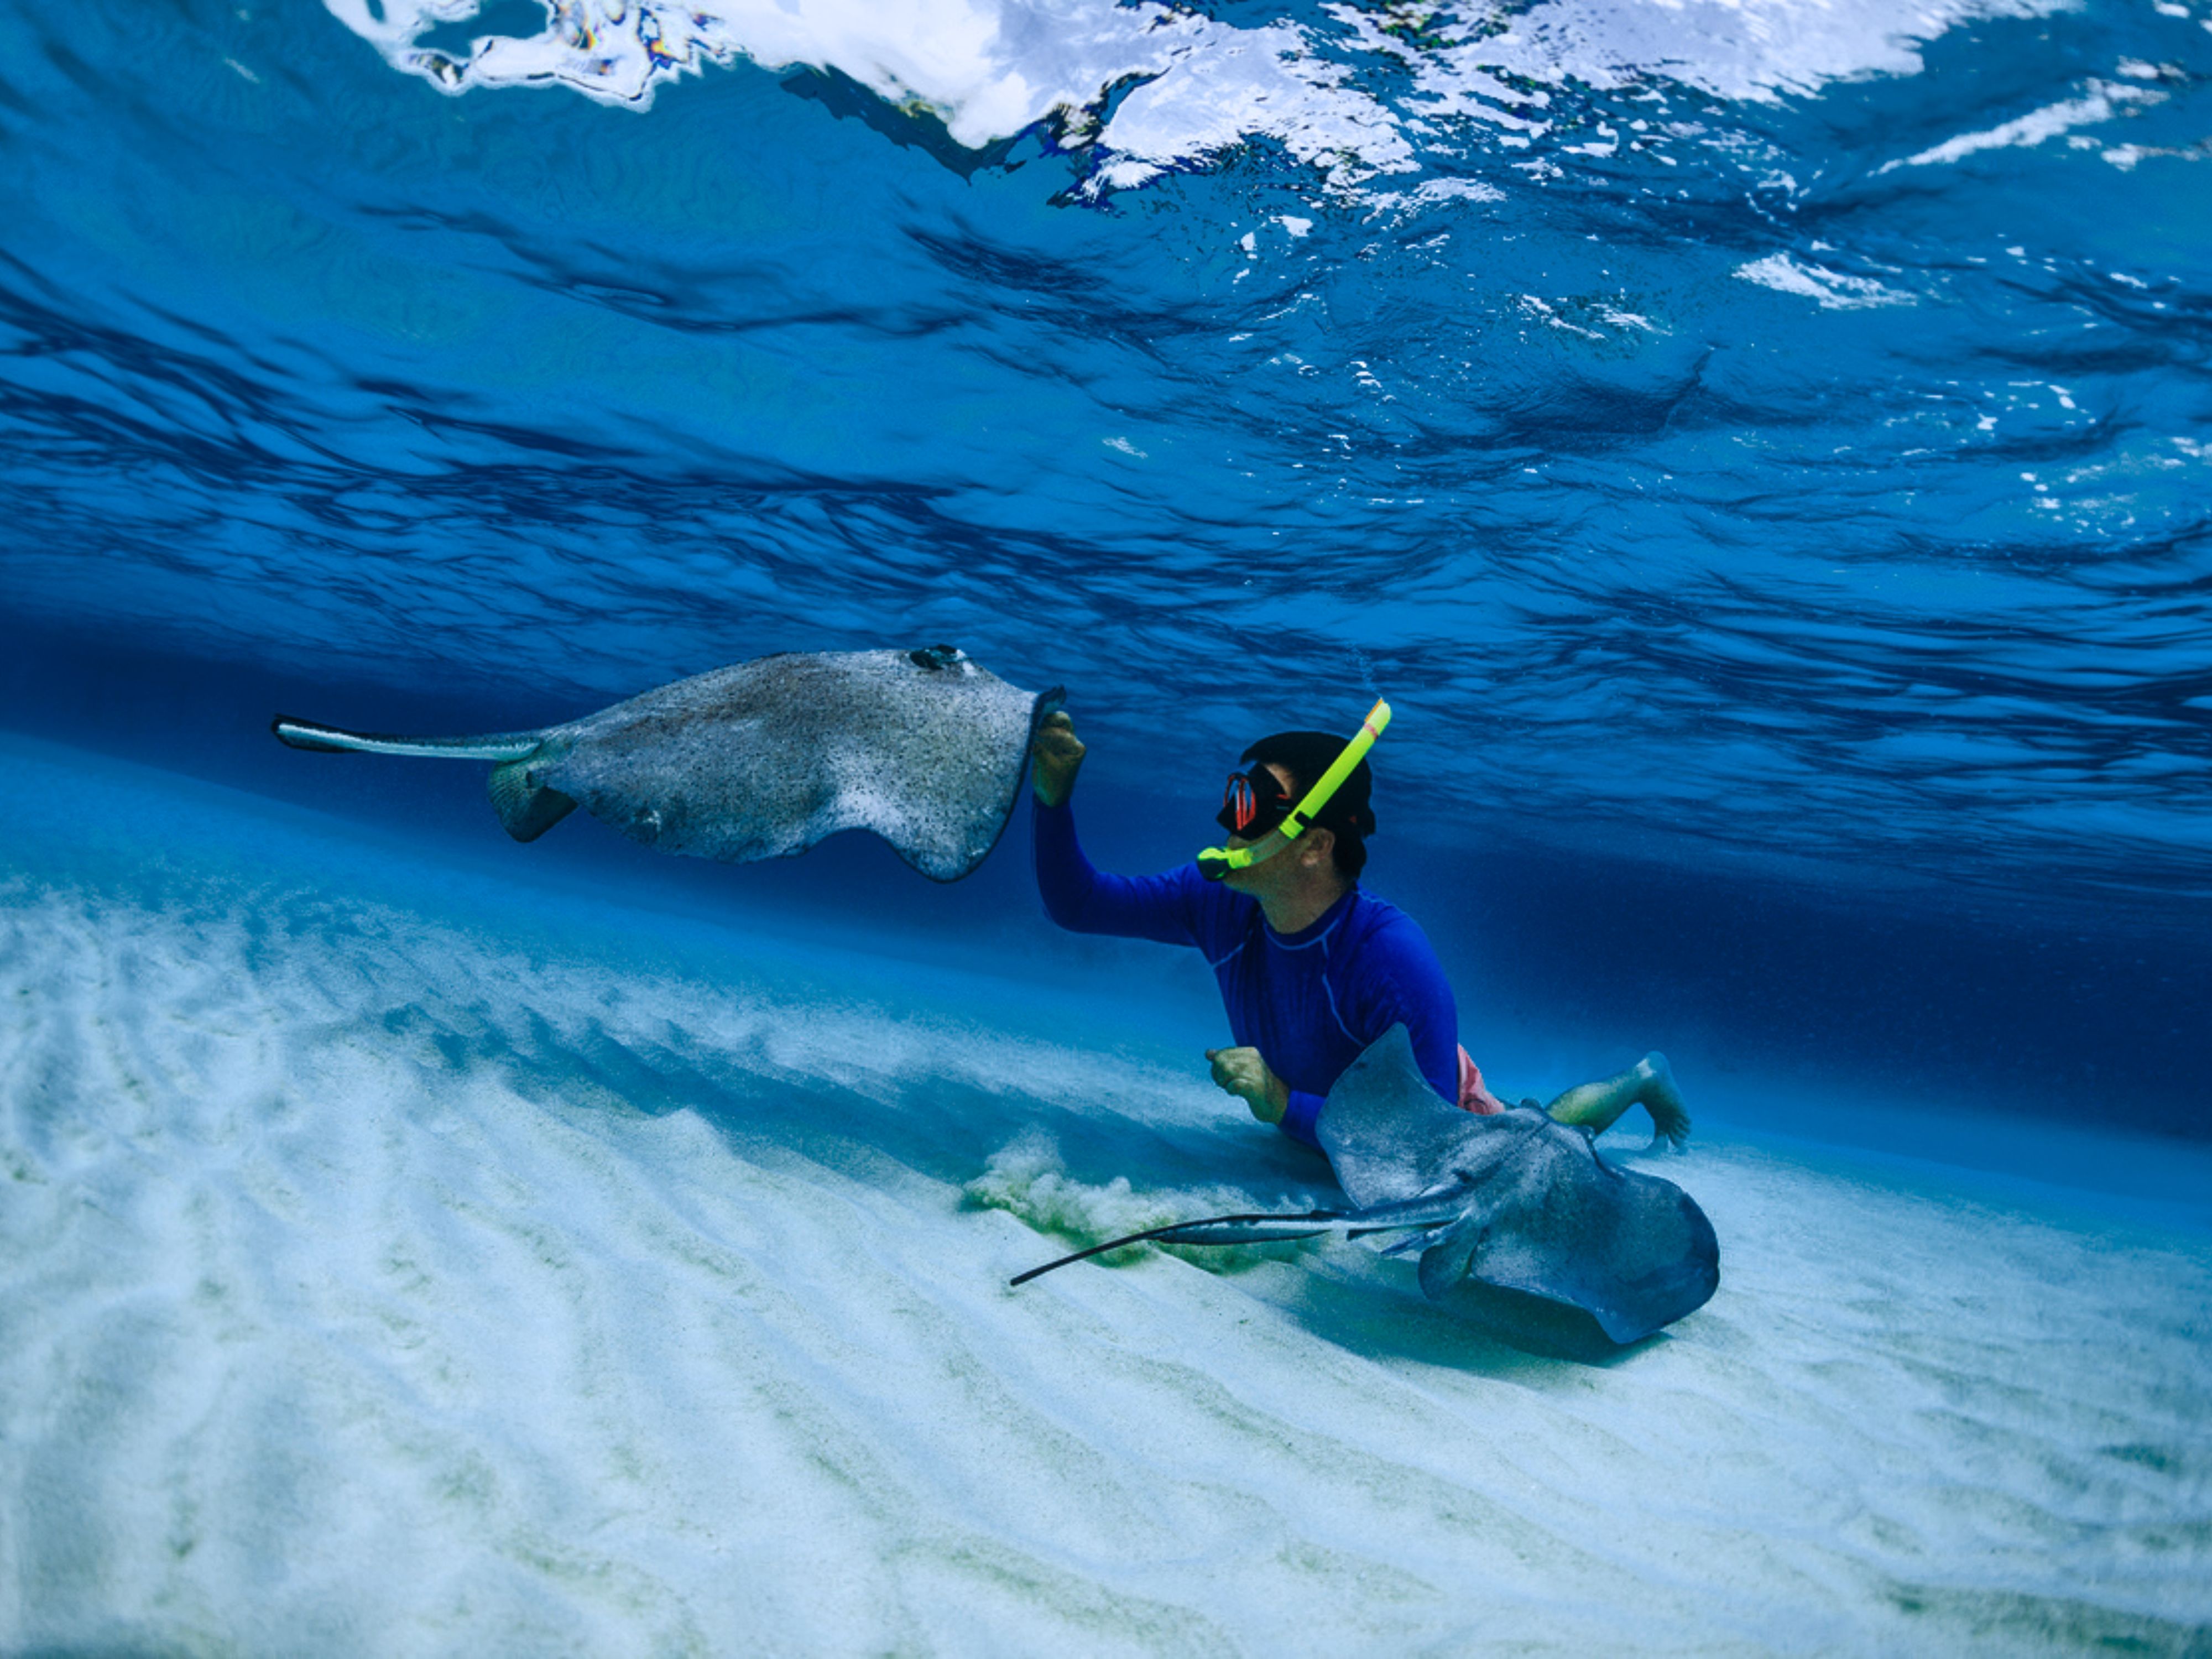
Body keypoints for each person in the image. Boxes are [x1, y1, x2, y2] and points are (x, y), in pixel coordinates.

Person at [1029, 709, 1689, 1150]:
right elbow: (1079, 904)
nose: (1227, 823)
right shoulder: (1215, 901)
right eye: (1234, 797)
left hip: (1436, 1125)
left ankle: (1639, 1078)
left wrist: (1286, 1103)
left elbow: (1425, 1141)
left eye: (1250, 805)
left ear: (1314, 845)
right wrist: (1052, 798)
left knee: (1540, 1134)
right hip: (1342, 1135)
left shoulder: (1391, 956)